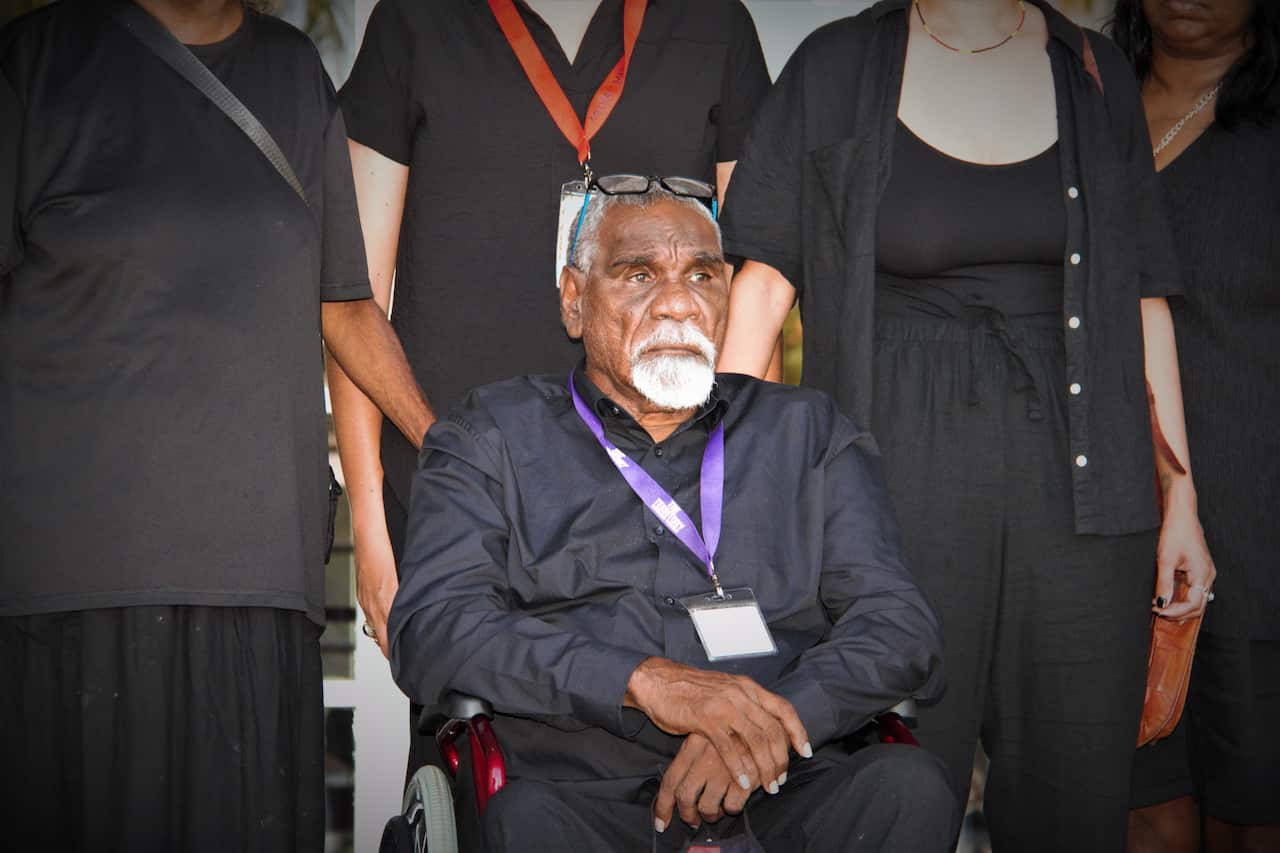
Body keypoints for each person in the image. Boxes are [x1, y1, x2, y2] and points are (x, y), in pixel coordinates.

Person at [714, 1, 1217, 851]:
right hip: (890, 505)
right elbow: (761, 290)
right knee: (888, 801)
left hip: (1087, 511)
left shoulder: (1093, 72)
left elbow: (1144, 299)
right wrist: (720, 493)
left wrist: (1182, 498)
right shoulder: (834, 67)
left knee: (1074, 813)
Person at [388, 184, 958, 852]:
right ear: (575, 300)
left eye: (702, 275)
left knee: (910, 788)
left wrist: (766, 726)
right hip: (580, 793)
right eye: (639, 274)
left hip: (784, 788)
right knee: (524, 827)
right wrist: (640, 681)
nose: (680, 301)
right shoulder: (490, 436)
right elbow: (435, 625)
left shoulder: (807, 434)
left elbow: (899, 626)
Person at [0, 1, 431, 850]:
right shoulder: (36, 64)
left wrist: (445, 439)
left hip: (254, 574)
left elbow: (347, 307)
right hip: (73, 582)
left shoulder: (294, 75)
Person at [329, 0, 772, 661]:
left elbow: (755, 286)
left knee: (667, 745)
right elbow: (349, 295)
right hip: (467, 510)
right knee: (476, 755)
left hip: (661, 510)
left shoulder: (713, 24)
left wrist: (735, 512)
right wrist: (369, 526)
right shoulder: (415, 21)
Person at [1116, 3, 1280, 853]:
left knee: (1251, 802)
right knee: (1135, 798)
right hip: (1096, 508)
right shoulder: (1080, 109)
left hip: (1255, 509)